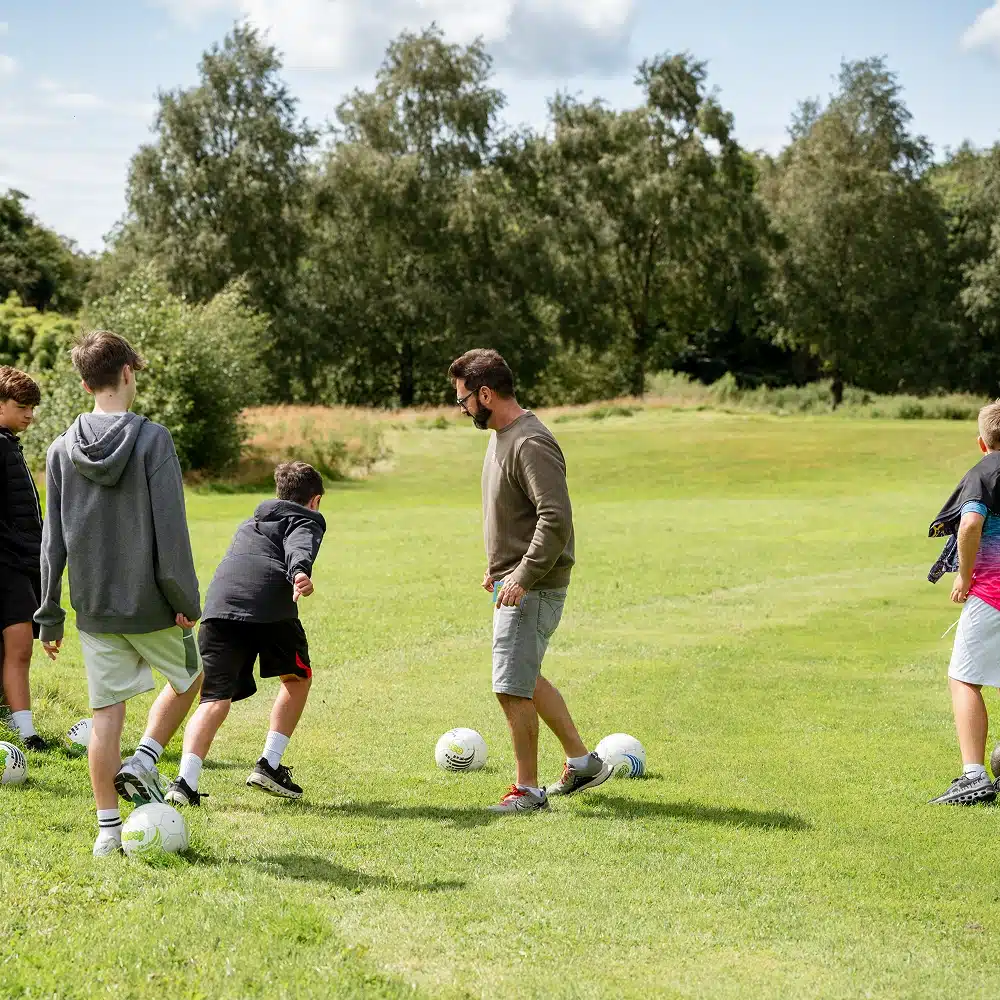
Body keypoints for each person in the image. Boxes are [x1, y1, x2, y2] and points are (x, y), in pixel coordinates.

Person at [35, 331, 203, 856]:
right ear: (128, 373)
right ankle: (148, 759)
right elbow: (170, 532)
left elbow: (52, 541)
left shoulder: (60, 448)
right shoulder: (155, 440)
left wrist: (49, 615)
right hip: (152, 604)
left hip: (94, 608)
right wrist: (186, 601)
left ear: (86, 383)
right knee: (194, 675)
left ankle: (107, 832)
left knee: (106, 715)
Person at [448, 348, 611, 813]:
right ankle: (582, 763)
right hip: (514, 578)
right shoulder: (501, 436)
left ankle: (528, 791)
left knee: (510, 685)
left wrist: (521, 572)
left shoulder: (529, 442)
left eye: (464, 400)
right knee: (526, 676)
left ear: (486, 393)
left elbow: (555, 518)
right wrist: (499, 566)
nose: (462, 409)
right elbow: (513, 513)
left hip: (533, 584)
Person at [165, 461, 325, 806]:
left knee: (213, 700)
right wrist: (300, 571)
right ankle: (269, 763)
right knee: (298, 678)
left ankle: (184, 783)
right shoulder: (306, 517)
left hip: (219, 609)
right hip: (268, 609)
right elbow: (300, 542)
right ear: (315, 500)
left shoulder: (251, 521)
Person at [928, 401, 1000, 805]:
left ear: (981, 442)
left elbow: (971, 523)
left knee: (964, 678)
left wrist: (965, 575)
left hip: (993, 592)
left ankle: (973, 776)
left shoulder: (985, 472)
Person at [0, 366, 45, 750]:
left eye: (33, 407)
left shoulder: (9, 441)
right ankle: (26, 734)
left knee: (17, 643)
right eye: (21, 406)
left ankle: (12, 721)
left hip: (21, 560)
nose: (29, 414)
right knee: (20, 644)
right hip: (7, 563)